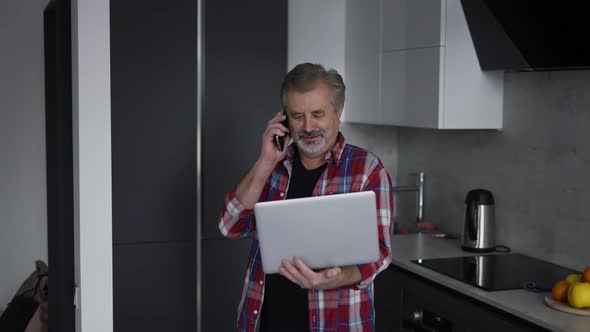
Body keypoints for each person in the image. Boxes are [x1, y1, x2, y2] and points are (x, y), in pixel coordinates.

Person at [219, 63, 394, 332]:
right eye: (297, 116)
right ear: (283, 118)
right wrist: (265, 161)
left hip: (335, 324)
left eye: (318, 114)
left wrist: (331, 279)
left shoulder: (368, 169)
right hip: (267, 322)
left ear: (338, 110)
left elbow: (380, 253)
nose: (308, 126)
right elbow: (230, 226)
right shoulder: (272, 168)